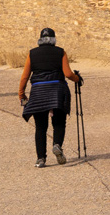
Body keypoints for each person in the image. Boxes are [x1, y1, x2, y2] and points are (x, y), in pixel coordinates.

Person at [18, 28, 83, 168]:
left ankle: (41, 159)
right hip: (57, 90)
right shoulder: (60, 52)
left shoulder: (32, 53)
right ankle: (57, 145)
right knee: (59, 122)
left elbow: (24, 77)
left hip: (38, 92)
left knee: (41, 127)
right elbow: (67, 73)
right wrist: (77, 78)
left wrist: (21, 94)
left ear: (40, 39)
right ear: (54, 39)